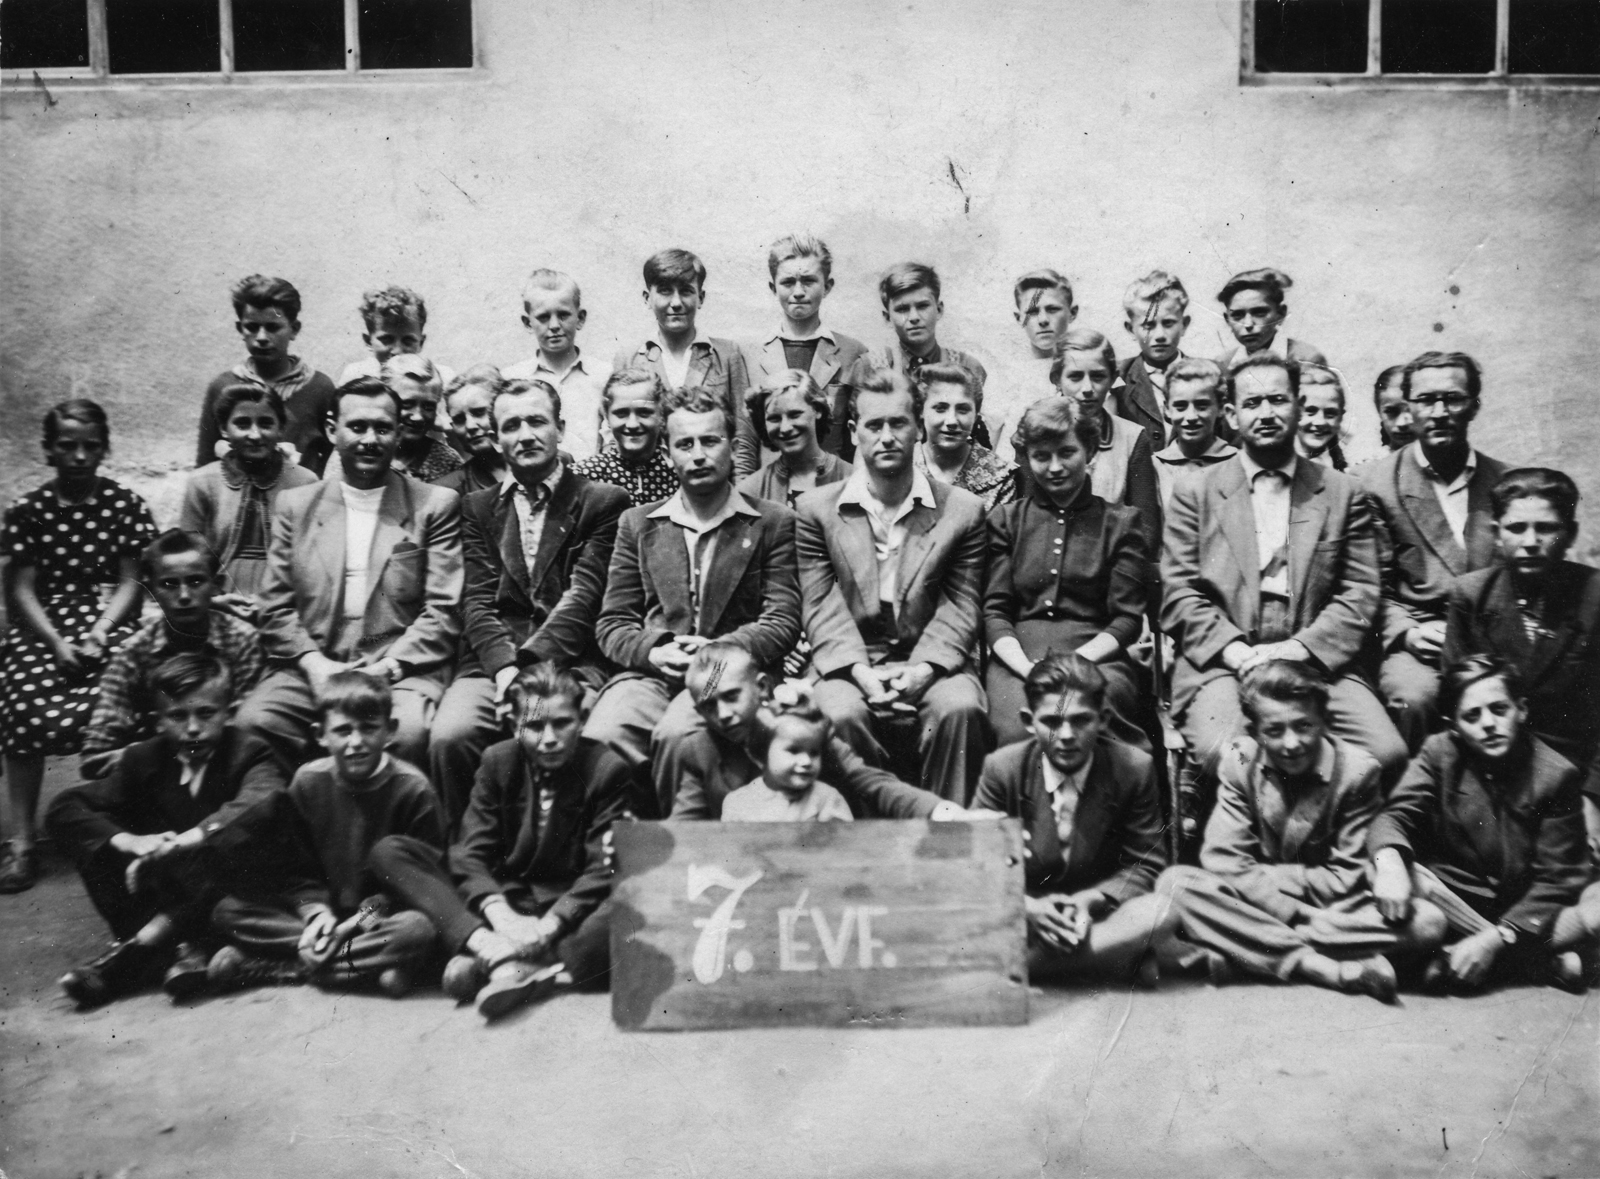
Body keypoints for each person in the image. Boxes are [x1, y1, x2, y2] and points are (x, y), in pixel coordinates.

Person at [1161, 354, 1407, 783]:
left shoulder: (1343, 492)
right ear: (1232, 416)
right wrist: (1236, 653)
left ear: (1298, 406)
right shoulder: (1196, 492)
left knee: (1385, 753)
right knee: (1233, 758)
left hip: (1314, 659)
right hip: (1224, 662)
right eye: (1252, 403)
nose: (1267, 413)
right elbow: (1179, 592)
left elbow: (1360, 592)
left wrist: (1300, 649)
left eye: (1278, 400)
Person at [1156, 662, 1447, 1002]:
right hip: (1270, 905)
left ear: (1324, 721)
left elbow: (1345, 877)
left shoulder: (1358, 771)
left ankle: (1245, 952)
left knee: (1428, 922)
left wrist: (1265, 880)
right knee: (1175, 884)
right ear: (1255, 731)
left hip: (1328, 908)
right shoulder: (1240, 761)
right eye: (1274, 730)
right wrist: (1292, 910)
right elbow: (1222, 860)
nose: (1291, 743)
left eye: (1304, 726)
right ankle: (1321, 967)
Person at [373, 663, 631, 1020]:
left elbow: (603, 868)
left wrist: (549, 925)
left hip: (565, 908)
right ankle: (488, 948)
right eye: (535, 726)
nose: (549, 739)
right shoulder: (498, 760)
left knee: (621, 915)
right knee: (390, 852)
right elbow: (471, 852)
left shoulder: (607, 768)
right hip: (504, 901)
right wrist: (501, 916)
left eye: (562, 723)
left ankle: (506, 965)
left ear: (582, 719)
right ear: (514, 725)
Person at [587, 386, 800, 815]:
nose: (698, 455)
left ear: (732, 448)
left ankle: (683, 846)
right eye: (685, 444)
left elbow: (782, 619)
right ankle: (621, 845)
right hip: (656, 673)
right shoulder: (638, 523)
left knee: (678, 734)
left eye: (710, 441)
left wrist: (716, 653)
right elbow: (613, 623)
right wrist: (656, 651)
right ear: (667, 455)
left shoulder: (772, 522)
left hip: (729, 673)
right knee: (603, 734)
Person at [235, 377, 462, 771]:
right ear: (331, 430)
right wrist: (315, 665)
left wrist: (387, 668)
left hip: (398, 669)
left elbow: (443, 609)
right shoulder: (295, 505)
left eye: (383, 428)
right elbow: (274, 606)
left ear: (398, 434)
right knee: (255, 724)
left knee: (406, 733)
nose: (370, 439)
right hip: (313, 666)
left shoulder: (433, 506)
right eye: (357, 427)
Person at [429, 378, 629, 827]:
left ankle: (574, 852)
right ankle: (470, 854)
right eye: (511, 425)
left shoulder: (602, 502)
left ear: (560, 428)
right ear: (496, 438)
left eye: (537, 421)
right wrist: (504, 670)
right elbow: (476, 601)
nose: (525, 435)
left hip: (571, 660)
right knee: (451, 735)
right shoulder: (476, 507)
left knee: (582, 732)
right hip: (493, 666)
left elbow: (584, 597)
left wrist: (526, 668)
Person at [796, 368, 990, 804]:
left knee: (959, 708)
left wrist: (923, 671)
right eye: (874, 425)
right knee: (837, 713)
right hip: (850, 660)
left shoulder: (962, 511)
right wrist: (860, 673)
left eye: (898, 423)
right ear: (853, 432)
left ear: (918, 427)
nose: (886, 437)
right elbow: (821, 604)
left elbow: (962, 604)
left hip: (931, 658)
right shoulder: (815, 511)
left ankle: (947, 835)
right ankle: (865, 839)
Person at [47, 652, 286, 1006]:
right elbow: (65, 807)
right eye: (177, 716)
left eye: (206, 713)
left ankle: (140, 951)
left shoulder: (250, 752)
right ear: (157, 721)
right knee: (96, 837)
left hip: (232, 894)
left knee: (229, 840)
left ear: (230, 711)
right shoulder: (142, 759)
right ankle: (181, 953)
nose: (193, 728)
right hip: (171, 893)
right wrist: (130, 841)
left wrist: (185, 841)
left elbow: (261, 798)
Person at [1369, 657, 1598, 992]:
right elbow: (1394, 816)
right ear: (1454, 726)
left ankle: (1465, 960)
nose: (1488, 724)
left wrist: (1496, 939)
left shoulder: (1557, 775)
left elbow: (1558, 879)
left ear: (1521, 710)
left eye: (1499, 709)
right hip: (1454, 897)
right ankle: (1540, 964)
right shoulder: (1439, 752)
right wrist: (1389, 864)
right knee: (1398, 869)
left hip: (1524, 910)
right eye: (1472, 716)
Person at [1, 399, 156, 893]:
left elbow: (131, 580)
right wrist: (54, 642)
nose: (80, 456)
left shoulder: (124, 505)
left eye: (91, 446)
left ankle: (123, 823)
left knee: (135, 693)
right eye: (68, 446)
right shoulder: (29, 510)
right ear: (49, 450)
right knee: (22, 701)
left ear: (104, 449)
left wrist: (101, 630)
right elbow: (21, 588)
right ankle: (23, 841)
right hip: (44, 623)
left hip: (107, 616)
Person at [208, 672, 443, 995]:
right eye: (343, 731)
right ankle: (360, 968)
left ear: (390, 731)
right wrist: (315, 914)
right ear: (320, 734)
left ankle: (284, 965)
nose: (356, 742)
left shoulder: (414, 789)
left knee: (417, 929)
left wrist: (351, 926)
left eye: (369, 728)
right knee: (228, 910)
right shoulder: (307, 781)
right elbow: (294, 869)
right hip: (318, 915)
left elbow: (417, 886)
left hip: (373, 919)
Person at [973, 654, 1173, 984]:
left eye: (1081, 721)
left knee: (1161, 911)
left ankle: (1024, 967)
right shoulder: (1002, 768)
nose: (1066, 735)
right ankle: (1110, 961)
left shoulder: (1133, 768)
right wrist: (1028, 908)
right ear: (1028, 721)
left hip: (1096, 915)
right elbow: (980, 867)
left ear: (1103, 719)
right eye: (1052, 721)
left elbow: (1146, 864)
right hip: (1026, 913)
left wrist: (1090, 900)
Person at [1360, 351, 1507, 750]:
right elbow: (1368, 584)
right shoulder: (1373, 485)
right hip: (1422, 639)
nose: (1439, 412)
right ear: (1408, 407)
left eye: (1453, 399)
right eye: (1426, 400)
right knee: (1414, 698)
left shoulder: (1506, 481)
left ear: (1474, 405)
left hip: (1496, 634)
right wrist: (1407, 633)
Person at [985, 398, 1148, 750]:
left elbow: (1127, 619)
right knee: (1019, 730)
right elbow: (995, 611)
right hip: (1019, 660)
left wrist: (1078, 662)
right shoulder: (1006, 521)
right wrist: (1025, 668)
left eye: (1067, 452)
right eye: (1041, 456)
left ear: (1089, 451)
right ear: (1027, 458)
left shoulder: (1121, 523)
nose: (1055, 467)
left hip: (1098, 658)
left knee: (1097, 722)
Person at [1445, 468, 1600, 802]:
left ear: (1571, 534)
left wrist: (1593, 797)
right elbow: (1456, 700)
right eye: (1516, 528)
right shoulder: (1471, 596)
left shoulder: (1594, 595)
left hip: (1578, 772)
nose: (1530, 542)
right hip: (1494, 771)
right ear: (1496, 533)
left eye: (1546, 528)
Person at [668, 642, 953, 820]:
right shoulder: (698, 750)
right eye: (708, 706)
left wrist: (941, 811)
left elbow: (870, 782)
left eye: (731, 696)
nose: (722, 714)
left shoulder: (801, 729)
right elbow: (684, 827)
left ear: (762, 687)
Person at [79, 529, 264, 779]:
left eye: (196, 582)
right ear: (151, 590)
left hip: (221, 777)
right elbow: (95, 756)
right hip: (151, 782)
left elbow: (243, 738)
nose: (184, 596)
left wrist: (145, 754)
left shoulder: (242, 641)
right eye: (169, 584)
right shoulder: (133, 652)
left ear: (216, 585)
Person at [614, 248, 756, 478]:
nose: (676, 303)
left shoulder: (726, 354)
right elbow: (615, 435)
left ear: (701, 297)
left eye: (686, 291)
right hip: (647, 487)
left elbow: (744, 436)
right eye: (665, 291)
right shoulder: (630, 358)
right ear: (647, 298)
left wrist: (740, 492)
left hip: (713, 485)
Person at [177, 384, 319, 608]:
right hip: (217, 605)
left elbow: (310, 560)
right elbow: (190, 559)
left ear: (280, 428)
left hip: (286, 605)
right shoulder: (202, 483)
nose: (255, 434)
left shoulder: (305, 483)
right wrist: (214, 601)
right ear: (224, 429)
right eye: (242, 424)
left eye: (266, 423)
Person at [740, 234, 868, 459]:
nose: (798, 292)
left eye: (808, 281)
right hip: (770, 479)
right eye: (788, 282)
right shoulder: (749, 354)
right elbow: (745, 442)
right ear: (773, 287)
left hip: (832, 477)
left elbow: (859, 439)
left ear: (827, 286)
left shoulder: (852, 353)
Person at [196, 275, 336, 474]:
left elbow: (333, 460)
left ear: (294, 329)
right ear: (240, 329)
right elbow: (205, 463)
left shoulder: (319, 388)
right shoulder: (223, 386)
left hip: (301, 491)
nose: (261, 337)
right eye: (252, 327)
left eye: (273, 327)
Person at [851, 262, 991, 454]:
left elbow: (977, 436)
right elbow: (857, 441)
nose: (914, 317)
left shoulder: (967, 366)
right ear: (887, 317)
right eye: (902, 309)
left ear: (939, 309)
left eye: (923, 306)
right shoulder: (870, 367)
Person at [1048, 328, 1160, 557]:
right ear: (1057, 379)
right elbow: (1027, 521)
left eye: (1098, 376)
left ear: (1112, 378)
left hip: (1113, 563)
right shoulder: (1036, 436)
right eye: (1075, 377)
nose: (1088, 389)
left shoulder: (1132, 438)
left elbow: (1145, 527)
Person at [503, 269, 610, 461]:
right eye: (543, 317)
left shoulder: (603, 376)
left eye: (563, 315)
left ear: (580, 318)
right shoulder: (512, 379)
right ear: (528, 323)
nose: (554, 325)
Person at [721, 698, 855, 822]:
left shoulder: (827, 799)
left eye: (814, 753)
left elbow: (844, 839)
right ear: (762, 753)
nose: (806, 761)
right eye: (794, 751)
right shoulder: (739, 802)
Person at [737, 369, 853, 509]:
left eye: (795, 415)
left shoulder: (853, 479)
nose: (785, 428)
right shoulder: (750, 491)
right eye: (774, 418)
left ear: (817, 410)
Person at [989, 269, 1077, 451]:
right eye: (1033, 311)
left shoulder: (1087, 370)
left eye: (1052, 309)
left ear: (1072, 313)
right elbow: (988, 447)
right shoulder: (1004, 375)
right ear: (1019, 318)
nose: (1043, 320)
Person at [571, 367, 681, 507]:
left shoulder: (679, 476)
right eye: (621, 413)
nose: (632, 424)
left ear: (662, 416)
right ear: (607, 417)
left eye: (644, 412)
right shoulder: (583, 475)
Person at [914, 362, 1017, 511]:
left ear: (976, 414)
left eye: (963, 409)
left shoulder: (999, 475)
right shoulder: (902, 465)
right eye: (940, 408)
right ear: (921, 411)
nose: (951, 421)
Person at [1117, 270, 1192, 448]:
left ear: (1184, 325)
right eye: (1148, 325)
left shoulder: (1209, 375)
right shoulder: (1117, 377)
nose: (1160, 335)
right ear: (1130, 329)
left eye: (1168, 323)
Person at [1151, 358, 1236, 509]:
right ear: (1167, 410)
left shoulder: (1238, 461)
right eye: (1180, 407)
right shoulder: (1156, 466)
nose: (1191, 417)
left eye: (1202, 406)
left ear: (1220, 407)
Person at [335, 285, 455, 388]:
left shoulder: (441, 378)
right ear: (368, 341)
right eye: (387, 340)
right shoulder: (355, 376)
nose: (397, 351)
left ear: (421, 343)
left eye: (408, 341)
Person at [1215, 268, 1328, 370]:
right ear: (1227, 320)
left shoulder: (1305, 359)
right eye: (1237, 315)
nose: (1248, 324)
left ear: (1281, 314)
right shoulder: (1223, 364)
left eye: (1259, 313)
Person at [382, 354, 465, 483]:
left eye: (428, 407)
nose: (418, 417)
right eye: (407, 404)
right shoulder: (365, 450)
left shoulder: (447, 460)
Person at [435, 366, 508, 495]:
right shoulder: (448, 490)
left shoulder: (541, 464)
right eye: (459, 419)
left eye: (479, 412)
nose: (470, 426)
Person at [1295, 364, 1349, 471]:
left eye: (1330, 413)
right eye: (1310, 411)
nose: (1320, 422)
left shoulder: (1346, 469)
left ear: (1341, 417)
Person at [1371, 364, 1415, 454]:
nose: (1402, 423)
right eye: (1391, 412)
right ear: (1379, 410)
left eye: (1411, 410)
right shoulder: (1372, 462)